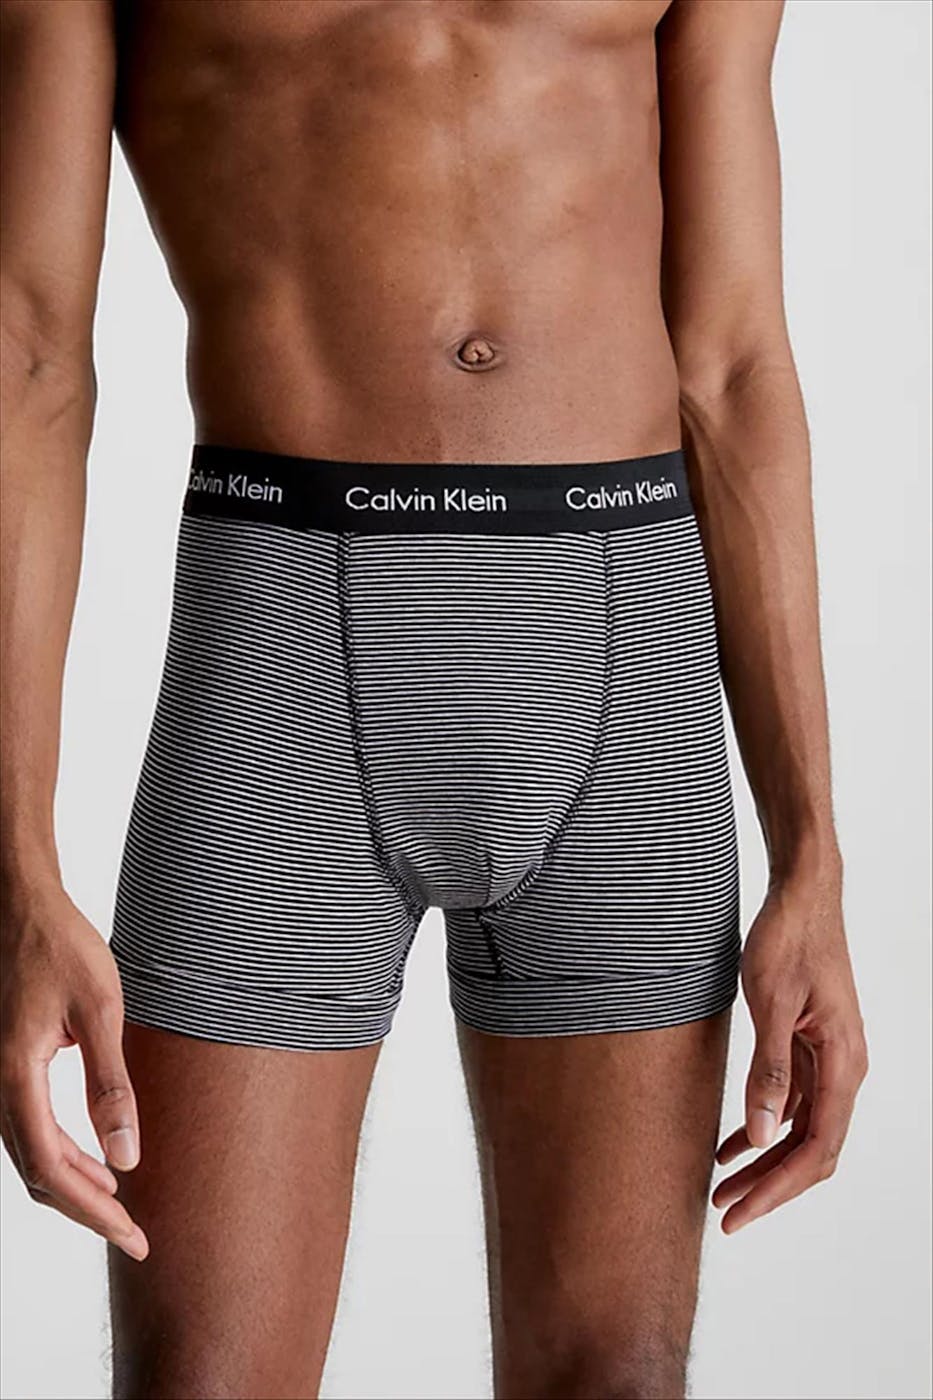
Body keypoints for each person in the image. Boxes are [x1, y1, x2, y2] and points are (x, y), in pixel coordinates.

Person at [0, 2, 869, 1397]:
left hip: (622, 668)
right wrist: (16, 866)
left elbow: (733, 360)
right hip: (276, 652)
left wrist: (812, 852)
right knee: (202, 1381)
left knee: (614, 1378)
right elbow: (30, 349)